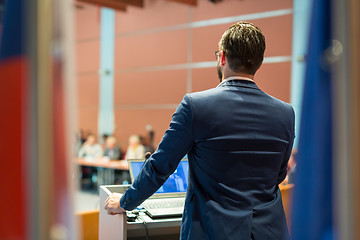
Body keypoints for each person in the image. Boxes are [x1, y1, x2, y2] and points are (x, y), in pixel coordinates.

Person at [104, 22, 295, 240]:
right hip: (269, 232)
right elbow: (279, 174)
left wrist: (125, 201)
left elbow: (161, 165)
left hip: (214, 230)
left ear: (222, 57)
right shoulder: (286, 113)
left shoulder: (195, 105)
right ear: (259, 63)